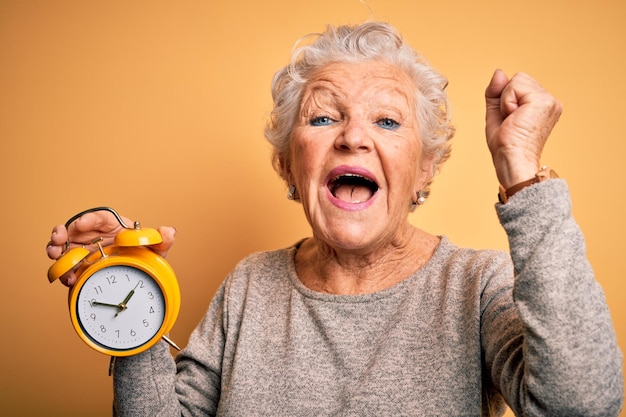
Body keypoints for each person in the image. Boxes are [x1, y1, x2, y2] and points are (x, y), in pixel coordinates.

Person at [46, 21, 623, 416]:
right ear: (289, 167)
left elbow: (582, 405)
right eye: (323, 119)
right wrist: (128, 291)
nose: (352, 137)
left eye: (388, 122)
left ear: (424, 170)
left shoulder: (477, 286)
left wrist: (523, 175)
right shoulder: (248, 286)